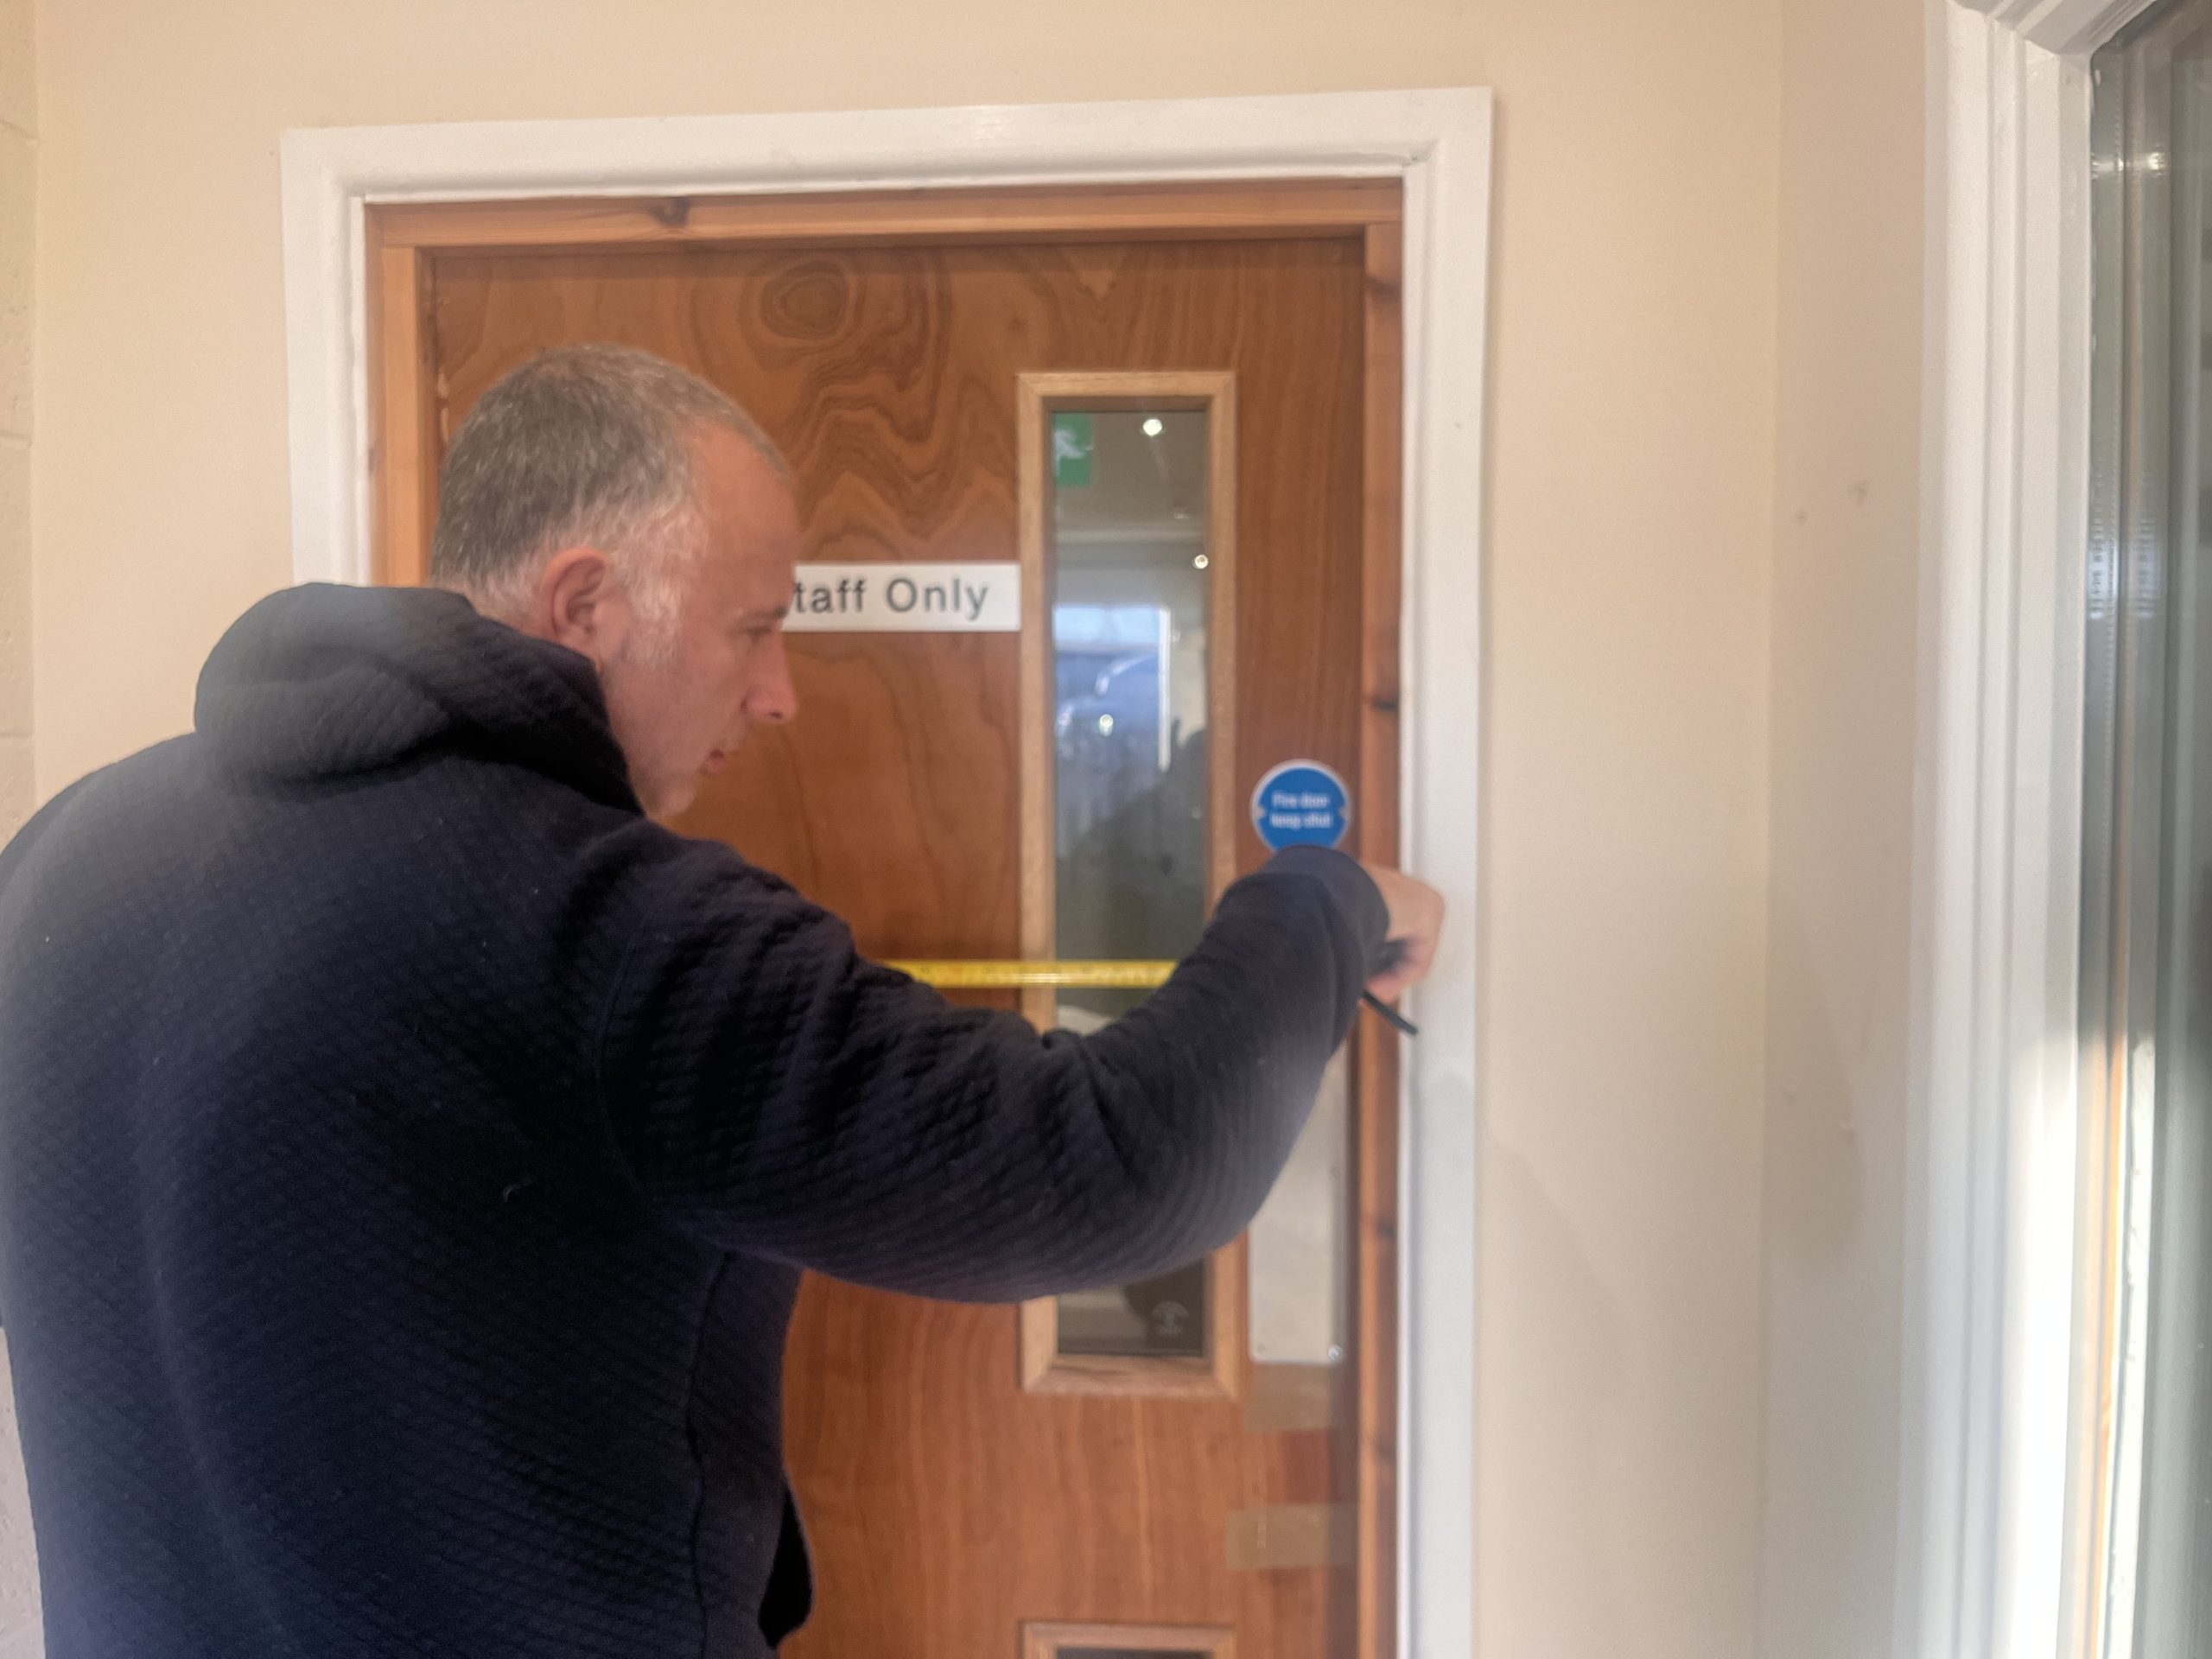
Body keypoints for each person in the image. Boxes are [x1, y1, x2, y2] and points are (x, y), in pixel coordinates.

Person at [0, 345, 1445, 1658]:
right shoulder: (602, 929)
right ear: (586, 603)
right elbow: (1116, 1165)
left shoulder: (57, 856)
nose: (782, 695)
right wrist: (1326, 902)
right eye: (758, 627)